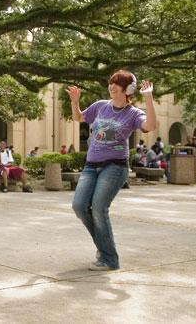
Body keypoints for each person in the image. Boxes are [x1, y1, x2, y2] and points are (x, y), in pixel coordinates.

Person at [66, 69, 156, 271]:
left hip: (114, 166)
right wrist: (75, 101)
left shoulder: (133, 114)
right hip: (91, 165)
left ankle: (109, 259)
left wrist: (148, 97)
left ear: (128, 89)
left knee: (98, 208)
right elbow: (79, 118)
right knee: (79, 206)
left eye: (117, 83)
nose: (112, 86)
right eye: (111, 82)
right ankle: (104, 248)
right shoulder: (100, 106)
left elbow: (150, 125)